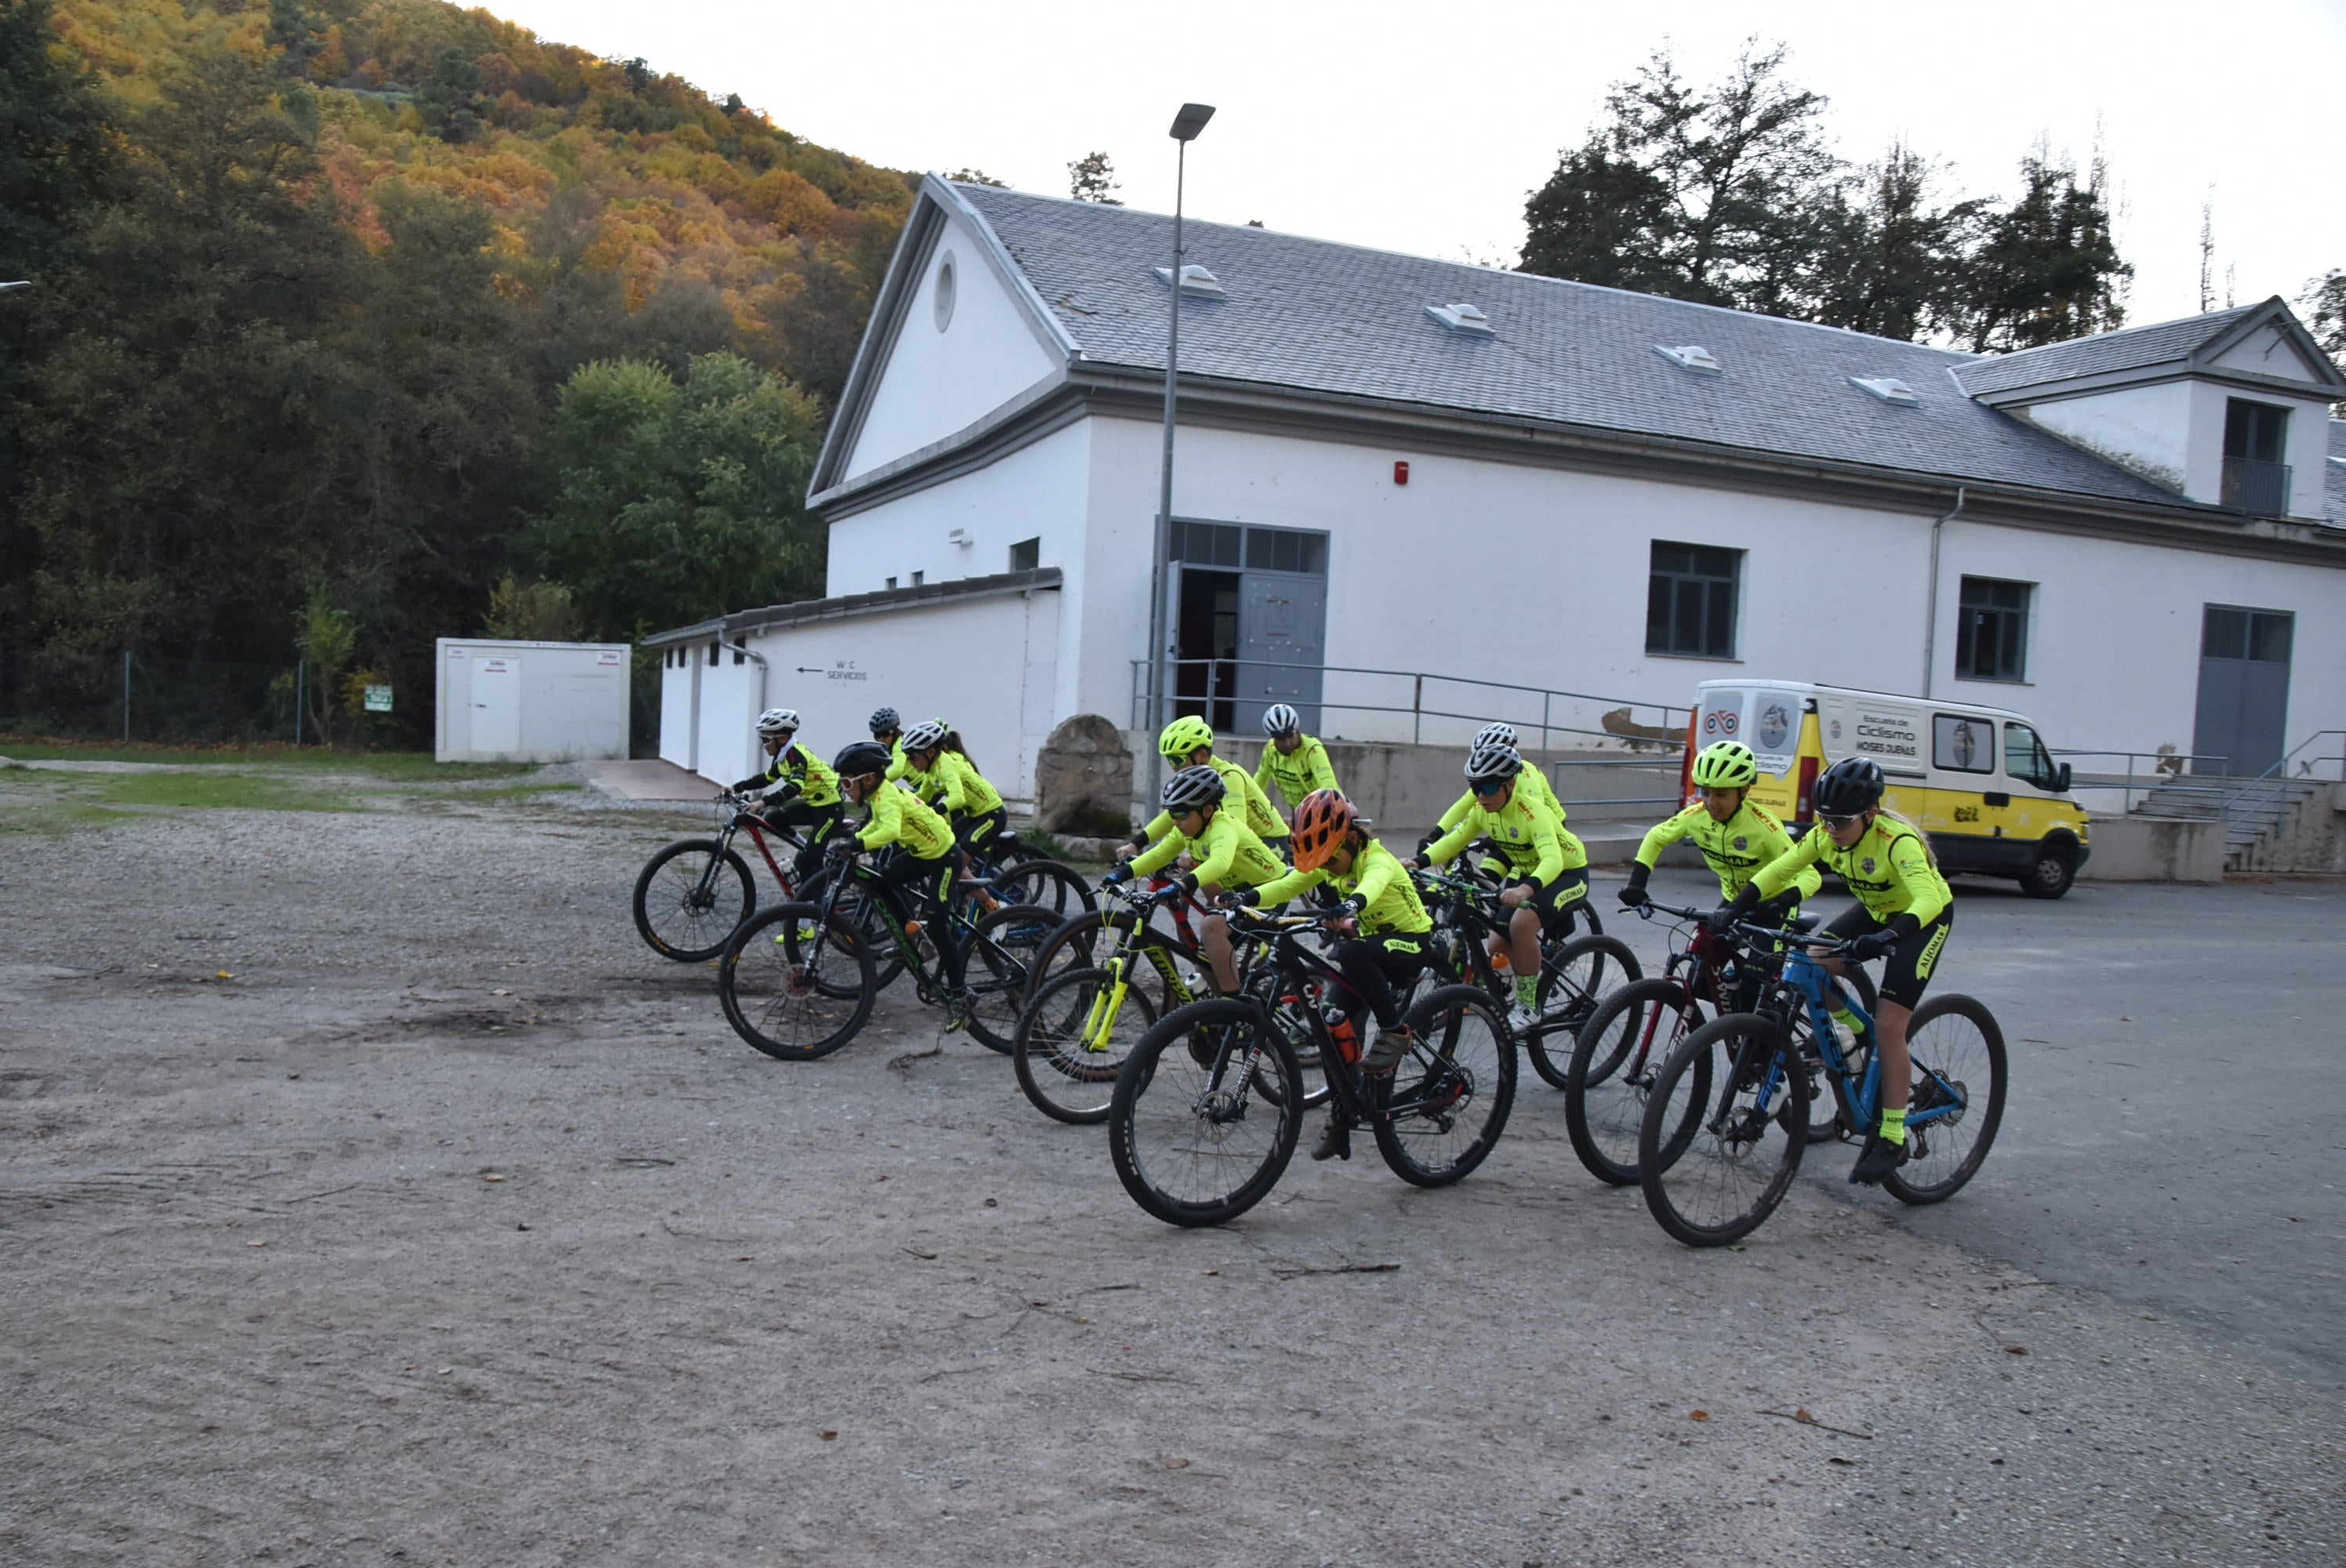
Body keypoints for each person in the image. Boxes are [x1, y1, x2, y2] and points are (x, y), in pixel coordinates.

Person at [1714, 757, 1954, 1186]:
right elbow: (1780, 869)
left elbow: (1928, 900)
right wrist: (1736, 905)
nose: (1830, 828)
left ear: (1871, 814)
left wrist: (1888, 938)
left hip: (1920, 922)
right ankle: (1850, 1031)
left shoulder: (1897, 841)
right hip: (1877, 913)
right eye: (1823, 819)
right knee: (1807, 963)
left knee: (1889, 1025)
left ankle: (1893, 1134)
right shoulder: (1827, 837)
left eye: (1840, 821)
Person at [1229, 789, 1433, 1163]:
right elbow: (1290, 883)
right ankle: (1344, 1117)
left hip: (1411, 943)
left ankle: (1394, 1032)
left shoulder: (1378, 859)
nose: (1329, 867)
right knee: (1330, 1025)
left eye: (1332, 858)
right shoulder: (1329, 862)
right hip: (1374, 946)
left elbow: (1371, 886)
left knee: (1351, 950)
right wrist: (1246, 899)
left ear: (1353, 840)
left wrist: (1350, 906)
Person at [1406, 740, 1588, 1033]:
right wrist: (1417, 862)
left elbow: (1553, 860)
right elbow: (1455, 840)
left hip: (1567, 873)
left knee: (1521, 925)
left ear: (1510, 784)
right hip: (1531, 872)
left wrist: (1524, 890)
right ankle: (1519, 990)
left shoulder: (1532, 811)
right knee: (1496, 944)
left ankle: (1529, 1006)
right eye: (1475, 786)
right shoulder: (1482, 811)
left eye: (1488, 788)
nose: (1480, 795)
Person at [1102, 764, 1284, 998]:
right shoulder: (1188, 829)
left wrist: (1182, 885)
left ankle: (1238, 1009)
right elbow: (1158, 855)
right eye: (1172, 814)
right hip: (1239, 894)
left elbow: (1220, 862)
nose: (1175, 821)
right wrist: (1121, 875)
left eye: (1181, 814)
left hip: (1269, 893)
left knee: (1211, 927)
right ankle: (1222, 1019)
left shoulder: (1223, 827)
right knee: (1203, 964)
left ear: (1207, 810)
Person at [831, 739, 974, 1031]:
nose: (845, 790)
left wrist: (858, 844)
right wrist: (854, 842)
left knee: (937, 924)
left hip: (945, 859)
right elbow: (875, 827)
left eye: (847, 783)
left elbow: (890, 830)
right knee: (881, 882)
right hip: (922, 854)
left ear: (867, 779)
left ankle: (961, 993)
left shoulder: (887, 797)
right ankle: (911, 935)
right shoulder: (878, 796)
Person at [1119, 716, 1287, 858]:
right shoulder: (1195, 779)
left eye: (1177, 760)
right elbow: (1171, 816)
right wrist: (1135, 844)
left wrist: (1198, 854)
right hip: (1246, 842)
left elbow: (1237, 828)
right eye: (1169, 760)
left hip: (1270, 840)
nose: (1173, 767)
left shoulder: (1228, 776)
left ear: (1202, 756)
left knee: (1209, 874)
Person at [1426, 722, 1566, 868]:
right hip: (1511, 831)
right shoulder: (1488, 779)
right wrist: (1434, 835)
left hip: (1543, 833)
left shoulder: (1526, 774)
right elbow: (1463, 804)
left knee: (1515, 886)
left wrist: (1491, 839)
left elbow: (1535, 812)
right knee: (1486, 877)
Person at [727, 708, 843, 882]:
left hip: (830, 809)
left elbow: (795, 787)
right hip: (814, 804)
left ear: (781, 738)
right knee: (773, 819)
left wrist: (763, 802)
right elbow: (767, 778)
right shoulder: (782, 755)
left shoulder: (796, 755)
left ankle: (818, 906)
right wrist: (736, 787)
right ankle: (808, 847)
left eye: (766, 739)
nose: (763, 744)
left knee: (806, 863)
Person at [898, 719, 1008, 856]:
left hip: (991, 814)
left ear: (931, 752)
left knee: (959, 858)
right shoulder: (931, 771)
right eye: (907, 756)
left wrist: (934, 811)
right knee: (945, 844)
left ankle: (971, 877)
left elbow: (958, 798)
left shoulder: (945, 766)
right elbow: (923, 796)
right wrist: (899, 802)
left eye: (912, 756)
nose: (909, 762)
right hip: (973, 815)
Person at [1254, 703, 1341, 818]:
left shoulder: (1313, 750)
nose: (1287, 743)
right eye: (1280, 739)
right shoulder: (1270, 750)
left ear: (1297, 730)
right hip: (1300, 812)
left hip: (1328, 808)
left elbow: (1329, 786)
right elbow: (1257, 784)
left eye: (1290, 736)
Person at [869, 707, 910, 780]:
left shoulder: (900, 744)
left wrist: (875, 783)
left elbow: (897, 770)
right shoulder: (890, 746)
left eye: (885, 734)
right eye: (877, 735)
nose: (881, 739)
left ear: (894, 732)